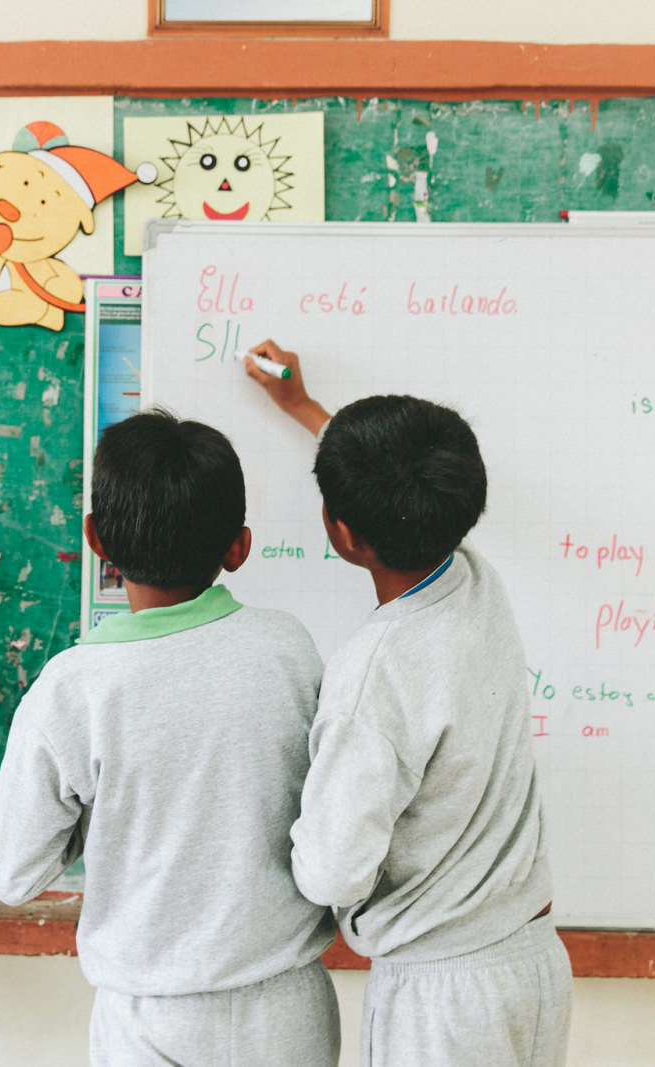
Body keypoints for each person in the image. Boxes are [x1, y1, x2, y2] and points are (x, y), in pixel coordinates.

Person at [244, 339, 573, 1067]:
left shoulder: (373, 674)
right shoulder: (475, 579)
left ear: (342, 532)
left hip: (444, 1001)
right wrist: (302, 408)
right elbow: (402, 490)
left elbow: (329, 871)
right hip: (531, 961)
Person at [0, 409, 340, 1066]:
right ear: (239, 545)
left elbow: (11, 872)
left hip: (150, 1020)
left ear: (95, 540)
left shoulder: (74, 687)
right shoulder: (290, 650)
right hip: (290, 1007)